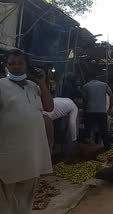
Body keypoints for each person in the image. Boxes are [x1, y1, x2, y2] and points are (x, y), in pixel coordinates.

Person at [0, 49, 54, 214]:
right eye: (11, 64)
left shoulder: (34, 87)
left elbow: (49, 107)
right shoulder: (1, 85)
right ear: (6, 66)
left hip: (32, 151)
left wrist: (42, 82)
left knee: (27, 192)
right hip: (9, 150)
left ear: (26, 65)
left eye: (20, 63)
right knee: (5, 193)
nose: (16, 67)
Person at [43, 93, 81, 157]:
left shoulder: (67, 100)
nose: (81, 102)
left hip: (39, 114)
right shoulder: (74, 106)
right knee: (49, 144)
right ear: (77, 99)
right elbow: (72, 123)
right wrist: (74, 139)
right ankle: (47, 163)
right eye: (81, 100)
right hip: (46, 118)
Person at [83, 72, 113, 149]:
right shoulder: (104, 85)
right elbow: (112, 95)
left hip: (90, 112)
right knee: (104, 132)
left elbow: (84, 100)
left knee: (88, 131)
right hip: (102, 112)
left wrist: (85, 109)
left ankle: (88, 150)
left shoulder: (86, 86)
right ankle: (106, 149)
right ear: (96, 77)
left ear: (88, 78)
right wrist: (110, 108)